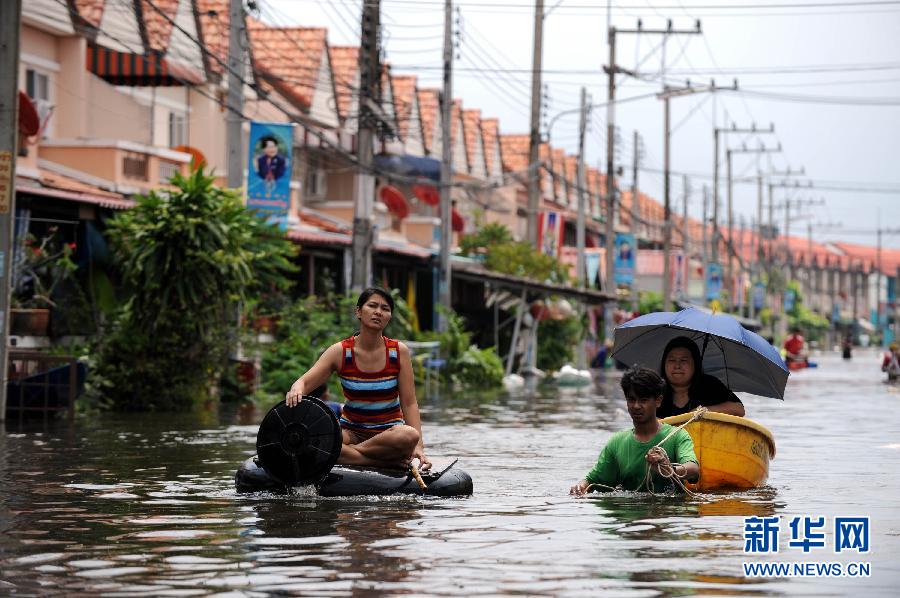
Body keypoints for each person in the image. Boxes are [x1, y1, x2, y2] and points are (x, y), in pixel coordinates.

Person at [285, 288, 430, 471]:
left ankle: (346, 454)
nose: (378, 312)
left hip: (390, 434)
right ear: (359, 312)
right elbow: (304, 382)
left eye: (385, 308)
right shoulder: (340, 351)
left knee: (409, 435)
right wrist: (297, 388)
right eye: (372, 306)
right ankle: (376, 461)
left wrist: (418, 447)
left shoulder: (398, 351)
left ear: (389, 316)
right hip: (351, 432)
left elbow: (409, 403)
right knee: (318, 439)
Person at [570, 366, 699, 495]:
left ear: (658, 401)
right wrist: (581, 487)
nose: (636, 406)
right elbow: (594, 480)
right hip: (629, 511)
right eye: (631, 400)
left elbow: (693, 470)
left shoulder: (677, 436)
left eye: (643, 400)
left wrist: (668, 469)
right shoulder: (617, 443)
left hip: (670, 512)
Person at [657, 336, 745, 418]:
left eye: (684, 360)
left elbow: (739, 410)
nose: (677, 366)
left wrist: (705, 410)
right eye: (672, 360)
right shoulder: (655, 388)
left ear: (695, 364)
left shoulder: (709, 385)